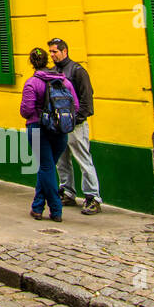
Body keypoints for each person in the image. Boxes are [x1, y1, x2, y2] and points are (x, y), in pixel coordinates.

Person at [21, 48, 79, 222]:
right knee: (46, 167)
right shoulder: (64, 82)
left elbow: (26, 110)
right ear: (48, 60)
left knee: (46, 168)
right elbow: (74, 106)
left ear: (31, 62)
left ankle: (56, 209)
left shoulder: (32, 83)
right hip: (61, 130)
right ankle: (37, 207)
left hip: (38, 128)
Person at [49, 38, 102, 215]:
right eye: (50, 52)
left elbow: (87, 98)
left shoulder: (77, 71)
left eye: (55, 51)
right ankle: (67, 191)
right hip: (58, 124)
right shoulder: (53, 71)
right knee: (62, 160)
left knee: (83, 159)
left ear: (65, 51)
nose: (52, 55)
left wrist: (77, 119)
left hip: (75, 124)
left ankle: (92, 196)